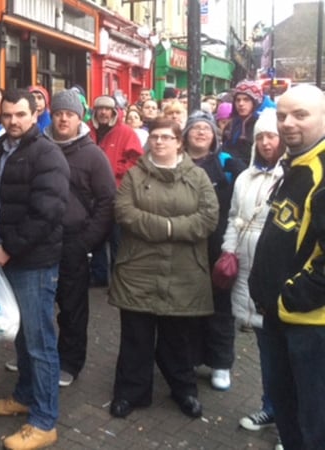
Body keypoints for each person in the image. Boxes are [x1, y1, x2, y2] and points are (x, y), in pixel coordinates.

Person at [108, 117, 218, 420]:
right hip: (138, 270)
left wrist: (167, 228)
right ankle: (130, 392)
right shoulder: (134, 175)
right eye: (155, 136)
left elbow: (208, 218)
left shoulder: (197, 177)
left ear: (178, 142)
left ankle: (183, 390)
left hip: (184, 272)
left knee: (178, 338)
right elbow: (124, 212)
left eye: (166, 137)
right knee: (136, 337)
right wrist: (171, 227)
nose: (159, 142)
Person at [0, 88, 69, 450]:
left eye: (20, 115)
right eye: (7, 115)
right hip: (2, 257)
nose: (13, 121)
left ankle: (45, 420)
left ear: (35, 115)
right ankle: (24, 396)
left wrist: (8, 248)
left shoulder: (47, 154)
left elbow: (47, 213)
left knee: (40, 343)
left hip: (34, 263)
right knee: (21, 337)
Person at [248, 84, 325, 449]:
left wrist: (289, 297)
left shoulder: (320, 171)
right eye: (281, 116)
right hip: (280, 319)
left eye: (300, 115)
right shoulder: (295, 164)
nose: (287, 124)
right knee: (289, 417)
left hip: (310, 327)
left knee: (314, 425)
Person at [43, 90, 115, 388]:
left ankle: (70, 361)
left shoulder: (93, 155)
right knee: (38, 304)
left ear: (79, 117)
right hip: (39, 241)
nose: (63, 118)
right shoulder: (39, 147)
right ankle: (39, 355)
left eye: (69, 114)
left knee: (72, 308)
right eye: (58, 112)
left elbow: (107, 202)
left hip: (74, 241)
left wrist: (86, 242)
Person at [221, 109, 284, 438]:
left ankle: (294, 426)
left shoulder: (290, 177)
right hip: (247, 272)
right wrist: (228, 250)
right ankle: (272, 408)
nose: (265, 142)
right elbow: (234, 217)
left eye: (271, 135)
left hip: (279, 276)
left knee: (291, 354)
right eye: (260, 136)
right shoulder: (246, 177)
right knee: (268, 349)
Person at [182, 110, 246, 391]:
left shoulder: (229, 165)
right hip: (183, 246)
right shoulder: (175, 162)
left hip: (217, 246)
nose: (200, 132)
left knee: (220, 307)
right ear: (185, 135)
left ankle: (221, 363)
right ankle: (193, 357)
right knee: (188, 305)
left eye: (205, 129)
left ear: (215, 136)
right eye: (194, 128)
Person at [88, 95, 143, 286]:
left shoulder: (126, 132)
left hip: (118, 194)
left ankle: (119, 278)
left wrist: (115, 170)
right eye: (100, 109)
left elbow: (136, 160)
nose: (103, 112)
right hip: (92, 194)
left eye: (107, 109)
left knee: (117, 239)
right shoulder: (87, 130)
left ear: (114, 112)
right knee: (96, 237)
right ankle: (98, 275)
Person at [222, 80, 263, 165]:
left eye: (246, 100)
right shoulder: (231, 124)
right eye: (238, 100)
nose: (241, 104)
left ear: (254, 102)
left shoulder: (261, 124)